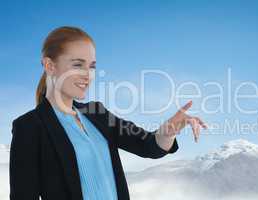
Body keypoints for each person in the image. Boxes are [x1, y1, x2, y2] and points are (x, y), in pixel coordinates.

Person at [9, 26, 207, 200]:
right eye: (78, 64)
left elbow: (148, 146)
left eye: (92, 66)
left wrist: (168, 131)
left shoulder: (98, 113)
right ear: (50, 66)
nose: (88, 75)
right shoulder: (29, 127)